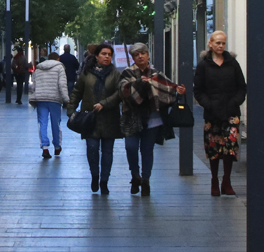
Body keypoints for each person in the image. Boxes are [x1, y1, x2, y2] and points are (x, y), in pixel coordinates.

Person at [118, 42, 185, 196]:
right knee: (131, 148)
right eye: (136, 54)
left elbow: (168, 88)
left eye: (143, 53)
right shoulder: (127, 73)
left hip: (153, 119)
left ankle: (146, 180)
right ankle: (135, 176)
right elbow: (124, 91)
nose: (140, 56)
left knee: (147, 150)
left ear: (148, 55)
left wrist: (178, 90)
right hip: (132, 117)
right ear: (133, 57)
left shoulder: (156, 73)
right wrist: (141, 84)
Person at [193, 30, 247, 197]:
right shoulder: (203, 65)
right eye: (217, 42)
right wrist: (208, 104)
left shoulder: (232, 63)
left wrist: (234, 102)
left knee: (230, 149)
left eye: (223, 43)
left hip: (231, 113)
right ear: (210, 43)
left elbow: (242, 87)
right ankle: (214, 180)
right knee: (214, 149)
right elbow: (198, 90)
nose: (220, 46)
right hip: (212, 114)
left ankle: (227, 181)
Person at [68, 43, 122, 194]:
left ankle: (104, 181)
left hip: (110, 118)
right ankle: (95, 176)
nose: (107, 57)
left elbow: (119, 94)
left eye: (109, 55)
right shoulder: (87, 73)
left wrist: (104, 104)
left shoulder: (115, 74)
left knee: (107, 152)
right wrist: (71, 110)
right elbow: (77, 91)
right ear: (97, 56)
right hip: (89, 118)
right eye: (104, 54)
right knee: (92, 149)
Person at [29, 52, 69, 159]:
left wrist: (33, 96)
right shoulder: (60, 68)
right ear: (58, 59)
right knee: (55, 123)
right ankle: (57, 146)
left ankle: (45, 147)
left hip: (41, 99)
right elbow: (62, 84)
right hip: (55, 99)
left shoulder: (38, 69)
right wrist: (66, 99)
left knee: (42, 123)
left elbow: (33, 85)